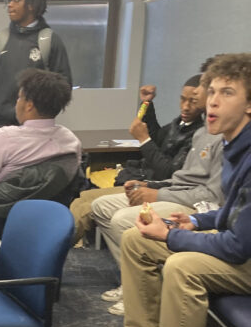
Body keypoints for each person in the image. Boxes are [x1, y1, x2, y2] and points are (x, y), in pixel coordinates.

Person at [100, 52, 251, 327]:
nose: (212, 101)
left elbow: (236, 248)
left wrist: (171, 237)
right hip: (243, 249)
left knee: (183, 267)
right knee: (138, 240)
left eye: (227, 93)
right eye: (211, 91)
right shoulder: (234, 145)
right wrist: (195, 223)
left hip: (245, 258)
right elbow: (234, 214)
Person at [91, 123, 223, 314]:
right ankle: (130, 283)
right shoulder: (201, 132)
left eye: (193, 100)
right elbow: (181, 180)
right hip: (176, 192)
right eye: (183, 99)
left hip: (195, 206)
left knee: (122, 220)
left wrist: (157, 195)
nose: (214, 103)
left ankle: (141, 293)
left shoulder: (229, 142)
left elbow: (212, 196)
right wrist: (149, 185)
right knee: (100, 206)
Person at [70, 75, 205, 245]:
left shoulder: (199, 134)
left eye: (193, 101)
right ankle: (64, 251)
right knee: (81, 198)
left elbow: (169, 172)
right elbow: (157, 138)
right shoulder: (180, 124)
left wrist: (144, 140)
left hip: (156, 186)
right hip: (145, 180)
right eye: (183, 99)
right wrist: (147, 104)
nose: (185, 107)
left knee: (85, 207)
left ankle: (58, 253)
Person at [0, 68, 81, 235]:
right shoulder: (71, 141)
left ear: (29, 105)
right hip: (44, 226)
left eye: (19, 97)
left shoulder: (7, 138)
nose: (17, 103)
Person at [0, 0, 72, 148]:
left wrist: (42, 117)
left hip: (35, 132)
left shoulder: (49, 41)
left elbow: (64, 87)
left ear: (31, 6)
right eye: (10, 0)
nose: (10, 5)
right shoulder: (0, 39)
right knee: (1, 173)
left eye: (17, 0)